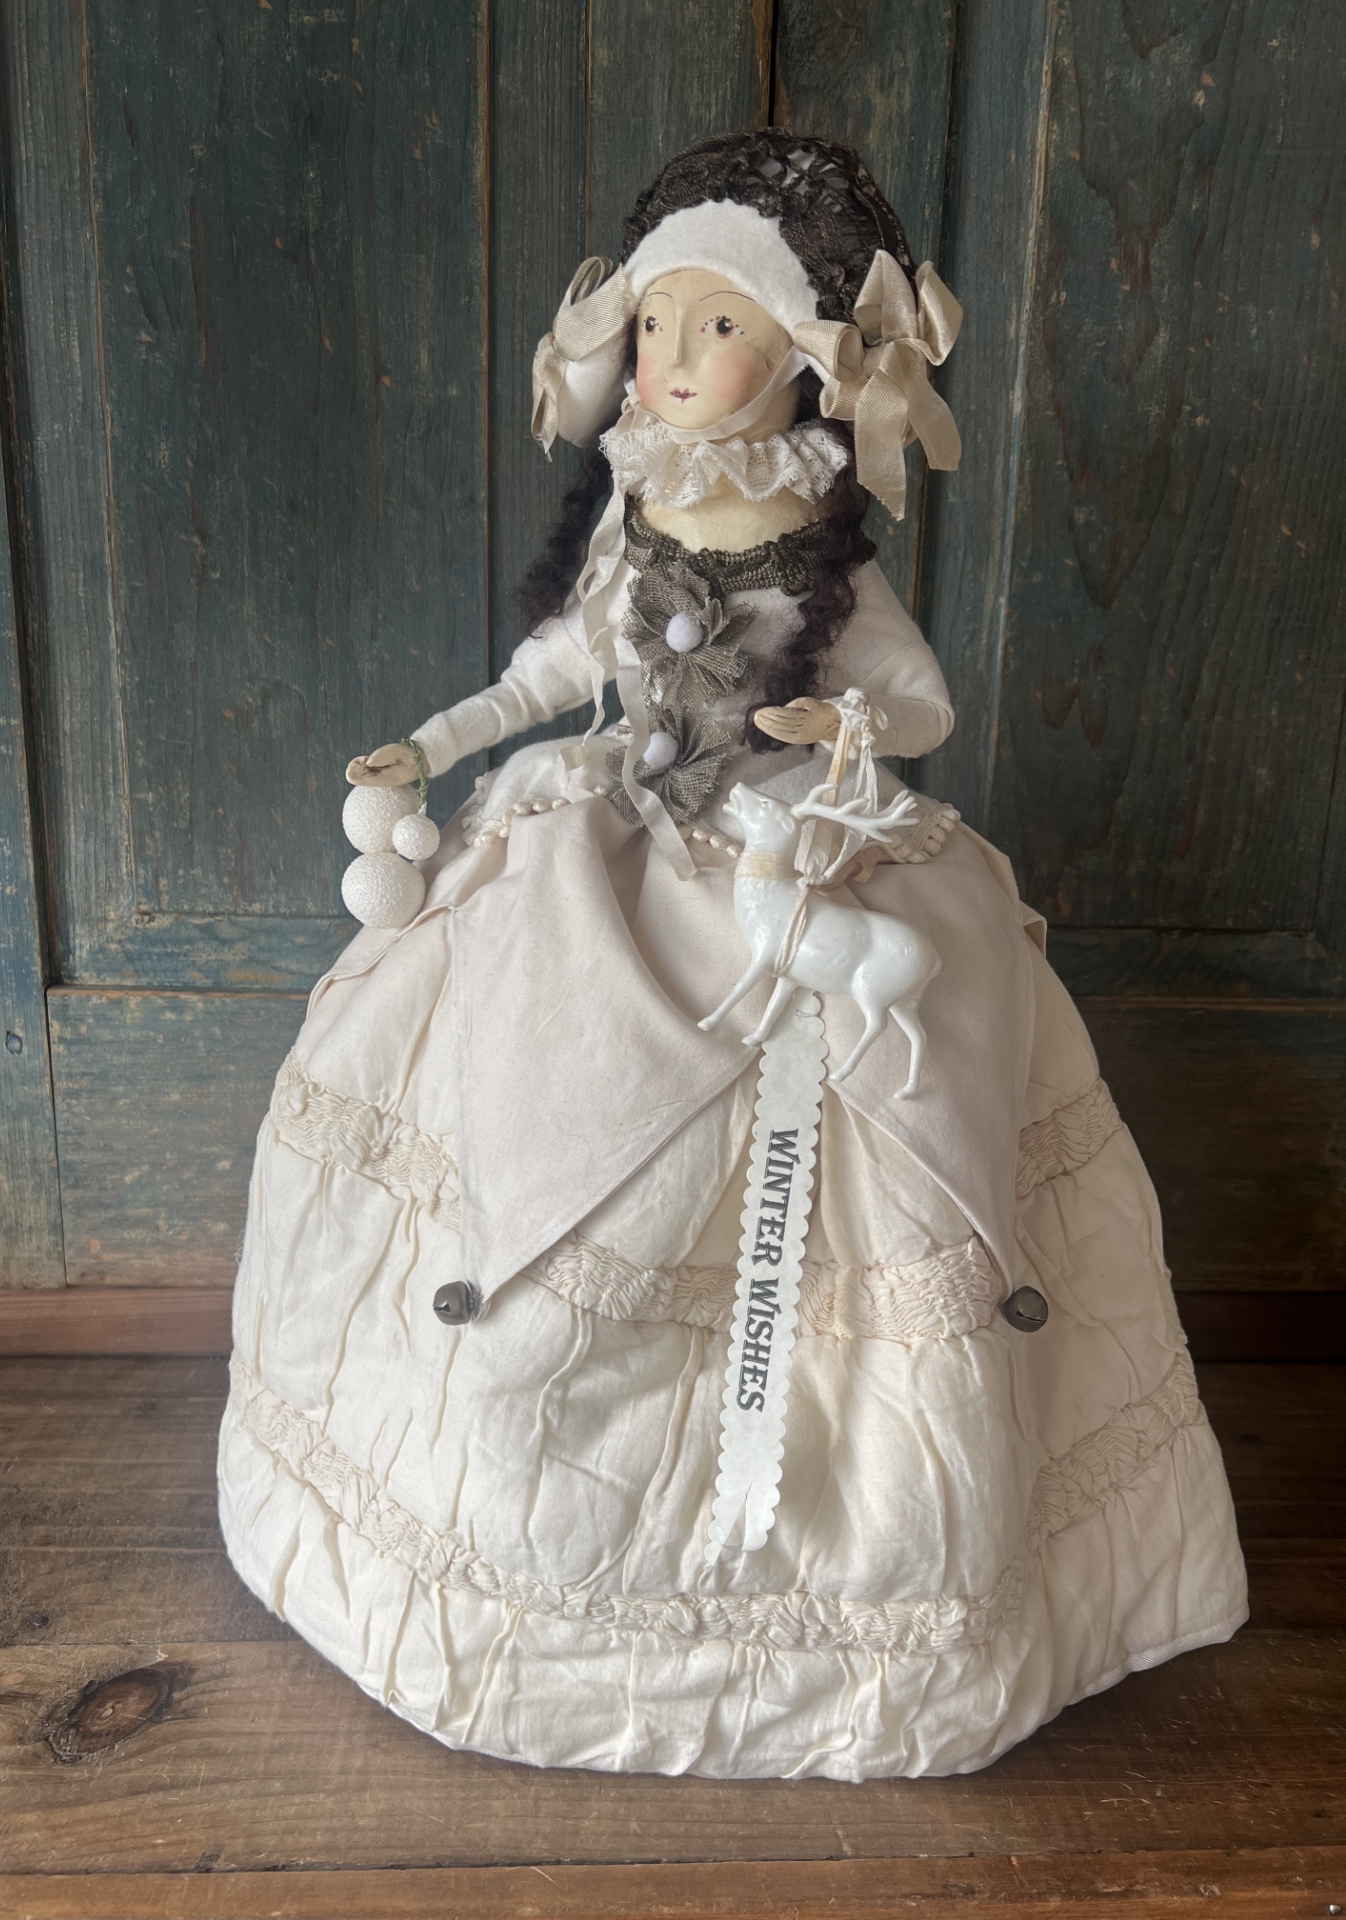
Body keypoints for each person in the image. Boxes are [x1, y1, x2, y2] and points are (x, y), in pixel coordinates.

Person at [218, 130, 1247, 1780]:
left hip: (785, 845)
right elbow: (552, 675)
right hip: (604, 841)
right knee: (524, 1095)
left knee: (892, 1091)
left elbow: (916, 702)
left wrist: (831, 732)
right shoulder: (634, 521)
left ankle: (863, 1590)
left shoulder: (821, 544)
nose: (675, 359)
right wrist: (437, 743)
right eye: (656, 324)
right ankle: (505, 1534)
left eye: (720, 326)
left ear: (807, 361)